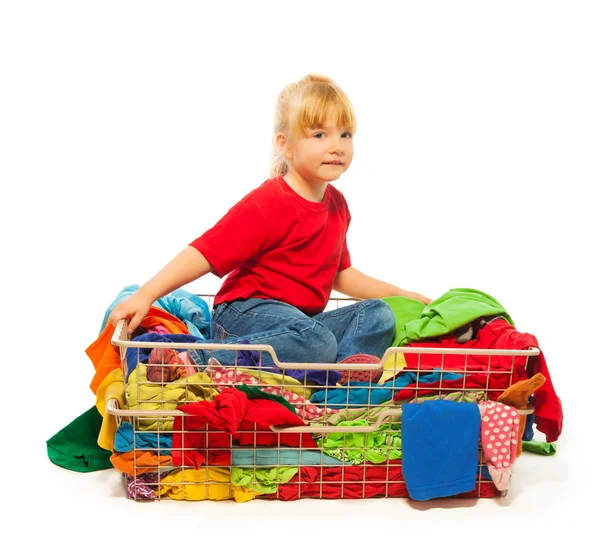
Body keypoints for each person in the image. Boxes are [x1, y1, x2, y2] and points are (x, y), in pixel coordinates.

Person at [108, 74, 431, 370]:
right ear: (285, 146)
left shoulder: (337, 205)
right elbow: (205, 252)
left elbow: (340, 274)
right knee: (316, 341)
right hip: (246, 312)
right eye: (319, 134)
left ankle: (342, 378)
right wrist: (146, 294)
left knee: (377, 313)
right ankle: (193, 359)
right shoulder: (271, 201)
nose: (336, 146)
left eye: (345, 134)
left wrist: (403, 295)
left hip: (299, 324)